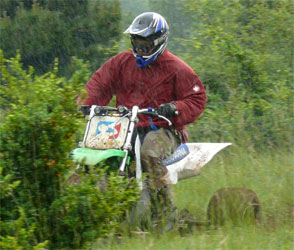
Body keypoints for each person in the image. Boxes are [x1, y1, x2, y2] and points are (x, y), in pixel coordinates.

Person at [80, 12, 206, 231]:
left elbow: (197, 98)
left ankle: (165, 214)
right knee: (93, 155)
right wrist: (86, 103)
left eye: (146, 44)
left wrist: (175, 108)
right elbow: (99, 84)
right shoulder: (121, 62)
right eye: (137, 43)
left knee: (150, 152)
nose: (141, 49)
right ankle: (92, 211)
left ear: (159, 42)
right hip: (124, 127)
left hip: (163, 130)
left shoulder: (177, 68)